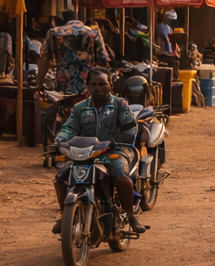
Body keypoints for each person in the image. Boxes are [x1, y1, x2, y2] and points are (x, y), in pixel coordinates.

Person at [52, 68, 149, 236]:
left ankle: (131, 216)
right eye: (94, 84)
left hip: (116, 151)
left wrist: (119, 140)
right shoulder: (79, 108)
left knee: (120, 174)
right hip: (86, 153)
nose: (98, 88)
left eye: (102, 84)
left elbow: (130, 129)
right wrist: (61, 139)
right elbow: (69, 128)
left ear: (110, 85)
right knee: (61, 177)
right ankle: (64, 215)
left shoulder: (120, 104)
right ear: (87, 86)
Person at [35, 10, 111, 96]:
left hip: (63, 86)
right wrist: (107, 84)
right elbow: (103, 60)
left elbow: (44, 59)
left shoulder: (53, 33)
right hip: (87, 86)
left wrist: (40, 84)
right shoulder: (93, 33)